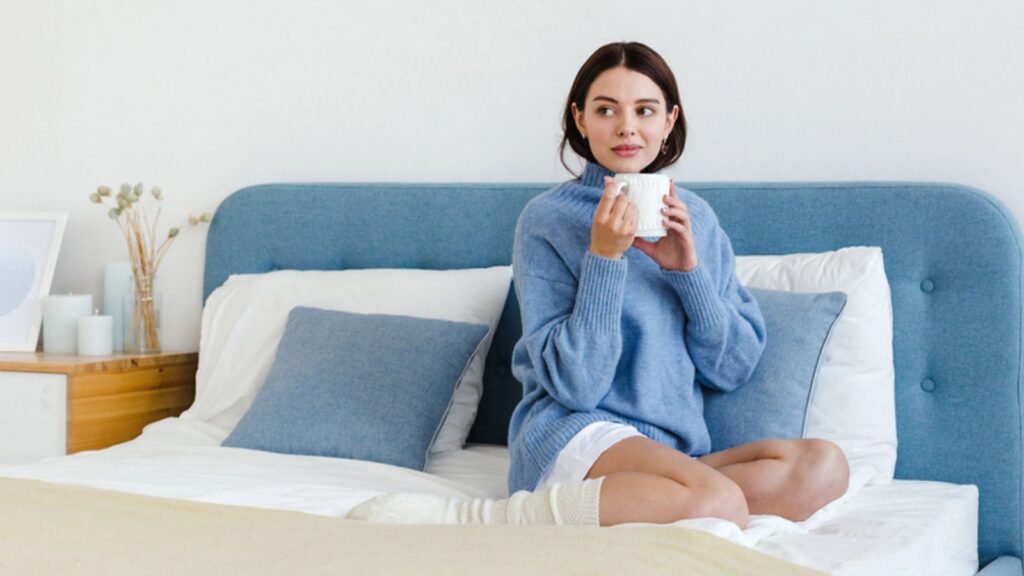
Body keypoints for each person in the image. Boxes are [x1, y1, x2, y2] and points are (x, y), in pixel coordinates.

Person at [348, 41, 849, 528]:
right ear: (581, 119)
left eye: (645, 110)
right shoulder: (547, 220)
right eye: (606, 110)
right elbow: (578, 385)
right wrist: (605, 256)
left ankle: (675, 498)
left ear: (669, 120)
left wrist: (687, 275)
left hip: (672, 452)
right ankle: (491, 518)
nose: (627, 127)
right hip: (574, 434)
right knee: (718, 502)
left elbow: (732, 368)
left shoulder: (693, 218)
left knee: (823, 467)